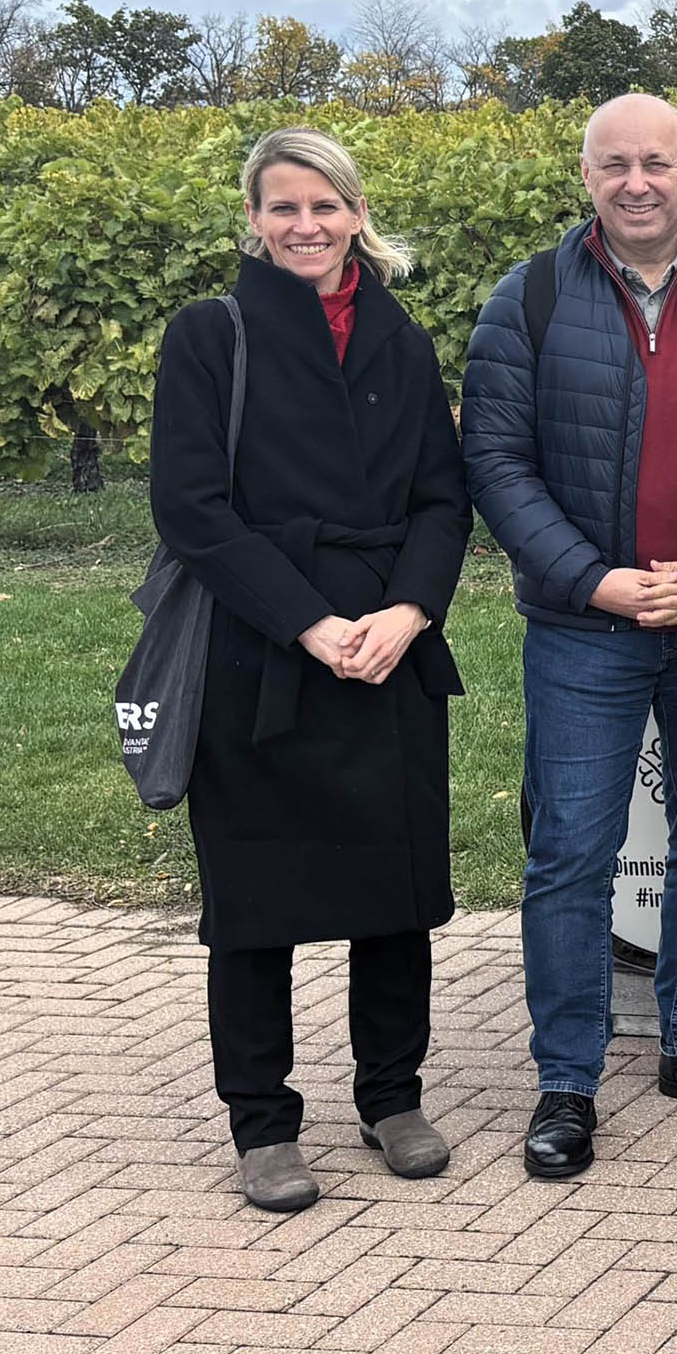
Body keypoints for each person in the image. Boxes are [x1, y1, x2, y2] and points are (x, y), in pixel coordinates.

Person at [464, 93, 677, 1181]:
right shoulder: (529, 299)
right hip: (583, 630)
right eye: (615, 164)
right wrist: (595, 582)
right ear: (586, 176)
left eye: (656, 162)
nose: (636, 182)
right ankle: (566, 1079)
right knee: (570, 856)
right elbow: (496, 465)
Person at [149, 128, 469, 1211]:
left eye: (325, 206)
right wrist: (308, 624)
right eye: (283, 207)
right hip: (260, 651)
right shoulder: (211, 334)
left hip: (389, 647)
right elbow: (191, 508)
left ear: (356, 213)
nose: (305, 226)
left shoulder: (401, 338)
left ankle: (392, 1097)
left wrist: (410, 610)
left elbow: (442, 497)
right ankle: (263, 1124)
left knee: (396, 891)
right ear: (253, 218)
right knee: (255, 898)